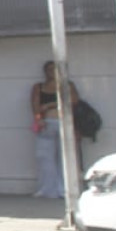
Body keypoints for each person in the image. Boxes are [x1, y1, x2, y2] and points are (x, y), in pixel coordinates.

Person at [30, 61, 80, 200]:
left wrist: (51, 104)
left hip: (64, 123)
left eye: (54, 69)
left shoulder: (67, 85)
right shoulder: (39, 87)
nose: (52, 72)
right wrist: (39, 118)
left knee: (64, 157)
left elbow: (74, 100)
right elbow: (35, 106)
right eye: (49, 69)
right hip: (47, 123)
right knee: (44, 157)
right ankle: (47, 189)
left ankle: (64, 189)